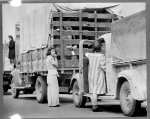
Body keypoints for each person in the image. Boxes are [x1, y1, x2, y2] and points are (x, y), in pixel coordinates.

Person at [85, 38, 106, 112]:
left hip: (91, 75)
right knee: (96, 91)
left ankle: (94, 105)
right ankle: (95, 107)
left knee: (93, 91)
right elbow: (104, 67)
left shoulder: (90, 55)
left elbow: (86, 54)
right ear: (100, 48)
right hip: (98, 75)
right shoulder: (101, 56)